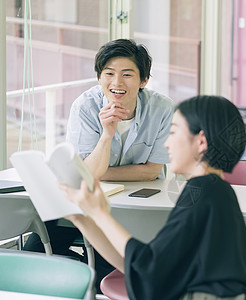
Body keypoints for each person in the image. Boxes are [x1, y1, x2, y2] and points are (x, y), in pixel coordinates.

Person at [62, 95, 246, 300]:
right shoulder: (208, 190)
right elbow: (137, 265)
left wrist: (100, 214)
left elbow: (149, 267)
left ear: (200, 142)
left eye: (173, 132)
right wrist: (82, 220)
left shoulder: (207, 193)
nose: (166, 144)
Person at [24, 39, 174, 290]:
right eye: (109, 74)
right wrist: (107, 134)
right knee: (34, 257)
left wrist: (97, 171)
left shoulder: (162, 108)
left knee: (107, 272)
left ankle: (89, 277)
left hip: (135, 206)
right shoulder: (85, 106)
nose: (117, 83)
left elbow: (151, 171)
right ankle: (75, 274)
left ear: (143, 81)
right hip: (86, 201)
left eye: (127, 75)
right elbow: (88, 175)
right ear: (99, 77)